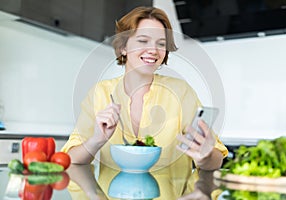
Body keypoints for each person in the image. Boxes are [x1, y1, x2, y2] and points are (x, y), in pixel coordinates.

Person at [62, 6, 228, 198]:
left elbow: (216, 159)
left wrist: (206, 156)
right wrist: (96, 140)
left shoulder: (180, 91)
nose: (153, 50)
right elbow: (71, 160)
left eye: (161, 43)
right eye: (143, 41)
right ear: (123, 47)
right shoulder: (101, 93)